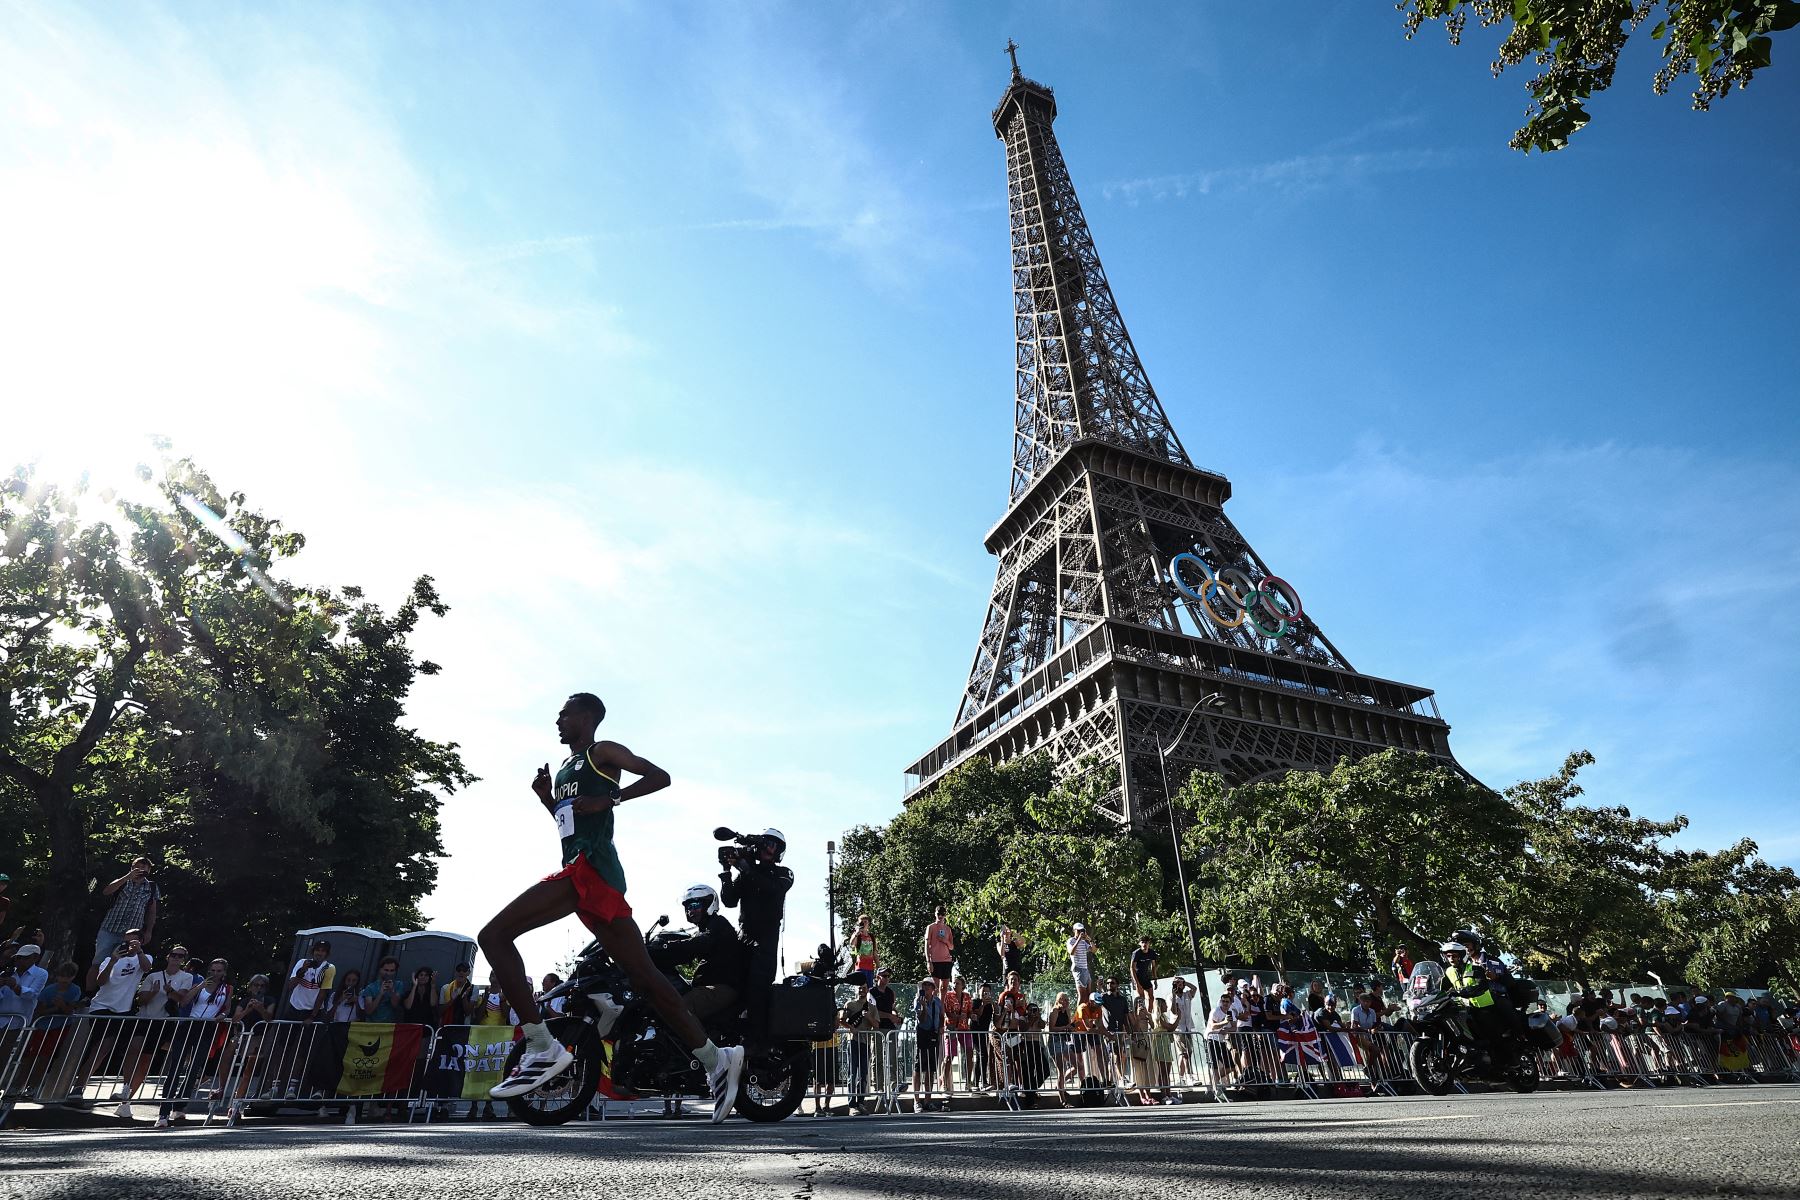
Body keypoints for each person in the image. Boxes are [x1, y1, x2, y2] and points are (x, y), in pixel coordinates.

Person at [477, 692, 743, 1120]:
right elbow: (572, 823)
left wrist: (611, 799)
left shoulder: (603, 752)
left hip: (589, 873)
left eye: (564, 713)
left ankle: (543, 1046)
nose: (557, 720)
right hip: (587, 875)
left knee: (492, 936)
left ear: (585, 716)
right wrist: (548, 799)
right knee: (649, 981)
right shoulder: (564, 768)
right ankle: (718, 1060)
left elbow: (661, 776)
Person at [719, 827, 793, 1042]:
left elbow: (773, 889)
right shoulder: (747, 873)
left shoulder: (783, 873)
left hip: (766, 941)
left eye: (774, 845)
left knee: (758, 990)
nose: (769, 848)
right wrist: (726, 871)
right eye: (765, 843)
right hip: (744, 937)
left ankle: (759, 1043)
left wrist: (745, 868)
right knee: (734, 986)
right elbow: (730, 901)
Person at [648, 883, 746, 1023]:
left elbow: (696, 945)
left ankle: (700, 1045)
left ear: (709, 904)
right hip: (707, 985)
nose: (690, 911)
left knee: (678, 1008)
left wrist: (663, 948)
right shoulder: (704, 929)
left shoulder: (718, 924)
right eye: (688, 907)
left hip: (723, 987)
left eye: (695, 906)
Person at [92, 858, 161, 976]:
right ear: (132, 868)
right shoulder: (122, 881)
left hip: (131, 934)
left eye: (144, 868)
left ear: (149, 870)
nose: (140, 870)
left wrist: (148, 931)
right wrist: (127, 877)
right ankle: (89, 992)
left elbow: (151, 912)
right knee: (98, 963)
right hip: (110, 928)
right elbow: (106, 891)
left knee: (123, 965)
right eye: (137, 867)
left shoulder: (152, 887)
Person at [1440, 941, 1498, 1061]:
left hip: (1484, 1008)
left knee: (1491, 1036)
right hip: (1465, 1009)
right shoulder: (1448, 972)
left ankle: (1502, 1062)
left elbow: (1481, 986)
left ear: (1461, 956)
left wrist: (1464, 992)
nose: (1451, 959)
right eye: (1448, 956)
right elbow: (1440, 990)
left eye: (1454, 956)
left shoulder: (1475, 969)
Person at [840, 978, 878, 1115]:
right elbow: (841, 1021)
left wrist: (868, 1017)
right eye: (859, 987)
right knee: (852, 1073)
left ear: (867, 990)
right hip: (853, 1041)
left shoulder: (871, 1007)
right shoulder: (850, 1004)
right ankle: (852, 1105)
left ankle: (861, 1102)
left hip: (865, 1042)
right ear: (855, 989)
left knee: (863, 1074)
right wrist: (851, 1028)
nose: (861, 990)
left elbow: (877, 1025)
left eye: (863, 988)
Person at [911, 977, 945, 1113]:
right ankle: (916, 1100)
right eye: (923, 986)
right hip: (922, 1033)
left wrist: (941, 1026)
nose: (925, 988)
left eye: (928, 986)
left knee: (931, 1068)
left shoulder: (937, 1001)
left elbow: (941, 1015)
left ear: (933, 989)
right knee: (919, 1067)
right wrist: (924, 1006)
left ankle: (928, 1100)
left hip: (934, 1034)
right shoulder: (918, 1001)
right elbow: (922, 1019)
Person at [360, 956, 406, 1022]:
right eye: (386, 970)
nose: (388, 973)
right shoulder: (370, 987)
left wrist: (392, 991)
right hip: (373, 1025)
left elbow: (395, 1005)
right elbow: (368, 1011)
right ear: (380, 969)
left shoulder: (399, 985)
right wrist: (380, 994)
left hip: (390, 1026)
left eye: (392, 971)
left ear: (395, 971)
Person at [923, 905, 954, 987]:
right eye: (938, 914)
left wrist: (945, 941)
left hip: (946, 961)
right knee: (935, 987)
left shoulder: (948, 929)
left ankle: (942, 1000)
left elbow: (951, 947)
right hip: (935, 961)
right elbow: (926, 945)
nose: (940, 916)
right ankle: (935, 1000)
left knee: (944, 988)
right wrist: (928, 962)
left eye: (942, 914)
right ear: (935, 914)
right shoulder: (930, 927)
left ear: (945, 915)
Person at [1066, 922, 1095, 998]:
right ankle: (1079, 1010)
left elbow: (1093, 950)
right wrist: (1078, 939)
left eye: (1082, 930)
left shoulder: (1083, 942)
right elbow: (1071, 952)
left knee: (1088, 994)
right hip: (1078, 968)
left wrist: (1090, 940)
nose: (1080, 932)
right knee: (1082, 995)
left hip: (1085, 968)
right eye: (1078, 931)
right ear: (1074, 931)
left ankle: (1086, 1009)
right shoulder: (1070, 940)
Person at [1129, 937, 1158, 1007]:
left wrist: (1155, 979)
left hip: (1145, 977)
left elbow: (1153, 966)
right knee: (1141, 999)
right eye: (1142, 942)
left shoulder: (1152, 953)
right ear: (1139, 943)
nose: (1144, 944)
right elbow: (1132, 968)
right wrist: (1137, 983)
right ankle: (1140, 1016)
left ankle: (1150, 1014)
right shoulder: (1136, 953)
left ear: (1149, 943)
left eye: (1146, 942)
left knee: (1151, 998)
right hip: (1137, 978)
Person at [850, 915, 878, 985]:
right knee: (860, 988)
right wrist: (857, 933)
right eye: (861, 922)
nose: (863, 924)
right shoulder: (857, 935)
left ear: (868, 924)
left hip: (870, 968)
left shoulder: (871, 936)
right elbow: (852, 944)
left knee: (869, 990)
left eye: (865, 922)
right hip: (860, 967)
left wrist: (878, 966)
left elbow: (874, 952)